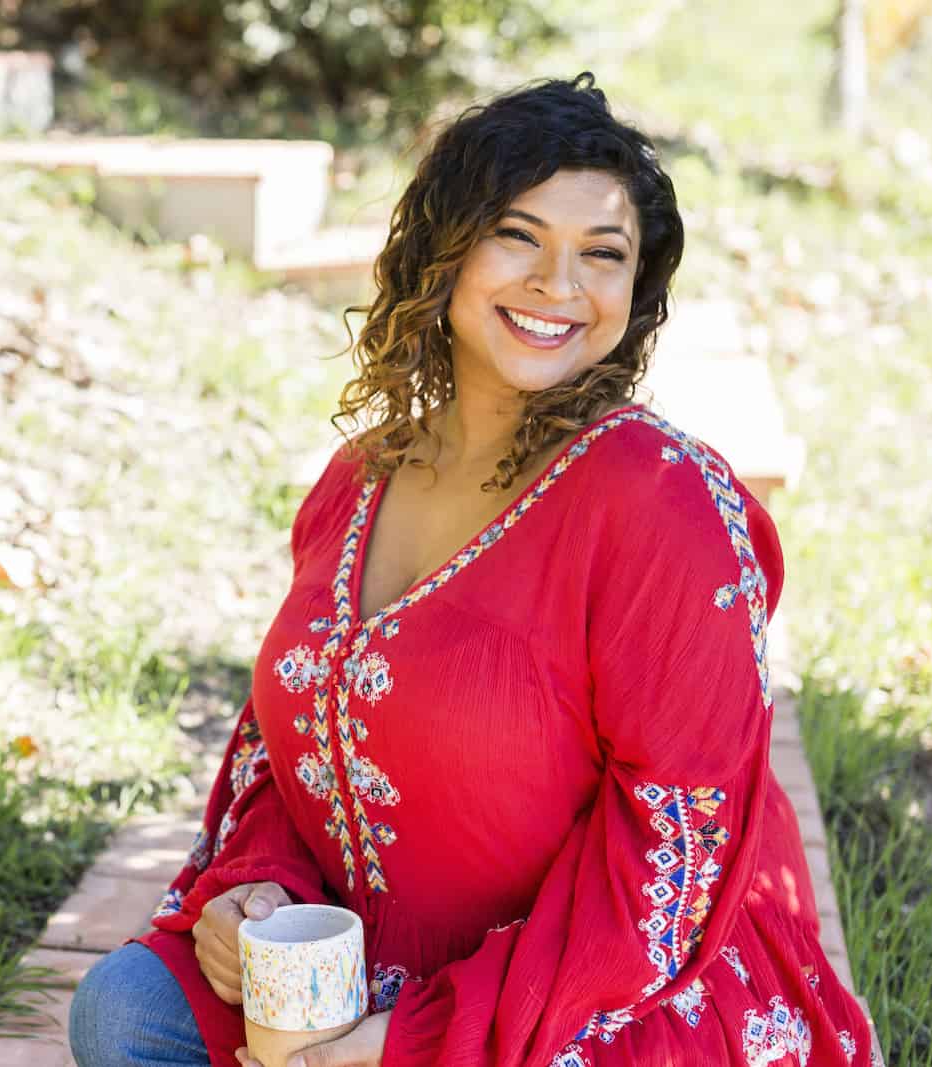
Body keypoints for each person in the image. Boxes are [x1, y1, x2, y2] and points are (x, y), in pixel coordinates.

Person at [67, 72, 875, 1067]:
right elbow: (298, 740)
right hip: (358, 962)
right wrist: (257, 890)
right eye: (518, 235)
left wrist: (414, 1039)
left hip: (589, 993)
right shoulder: (357, 478)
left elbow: (675, 858)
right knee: (124, 1014)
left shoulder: (658, 499)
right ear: (443, 250)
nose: (558, 285)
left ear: (637, 288)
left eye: (601, 254)